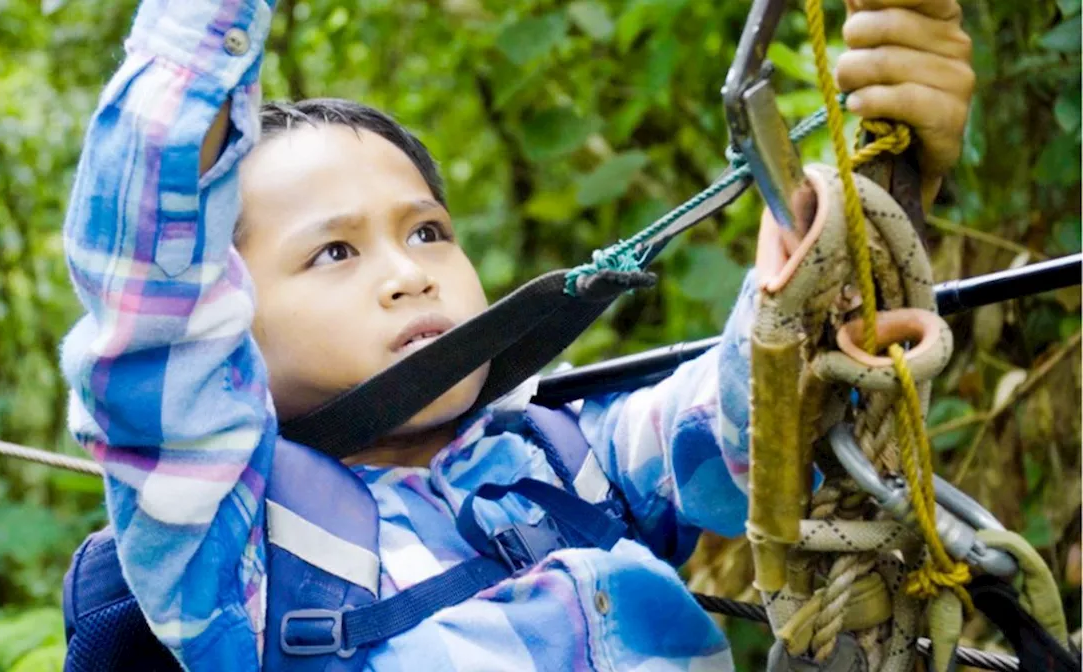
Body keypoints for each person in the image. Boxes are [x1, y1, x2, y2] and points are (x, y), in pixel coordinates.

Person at [59, 0, 975, 668]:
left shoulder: (567, 456)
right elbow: (148, 293)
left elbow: (757, 413)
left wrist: (849, 206)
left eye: (427, 231)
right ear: (226, 329)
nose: (408, 271)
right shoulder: (231, 549)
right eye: (333, 252)